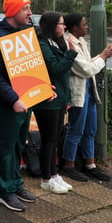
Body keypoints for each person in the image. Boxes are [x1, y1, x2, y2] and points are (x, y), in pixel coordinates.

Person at [0, 0, 38, 212]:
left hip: (24, 103)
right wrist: (13, 99)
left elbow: (32, 68)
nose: (30, 13)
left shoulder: (25, 34)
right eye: (26, 9)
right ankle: (5, 191)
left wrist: (44, 87)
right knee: (5, 148)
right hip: (8, 105)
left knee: (18, 145)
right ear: (14, 11)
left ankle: (15, 184)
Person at [60, 13, 112, 182]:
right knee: (76, 129)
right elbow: (85, 70)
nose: (87, 27)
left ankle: (90, 165)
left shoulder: (81, 41)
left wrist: (101, 55)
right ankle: (68, 165)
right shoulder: (69, 43)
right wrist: (103, 57)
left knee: (90, 129)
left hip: (89, 91)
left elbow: (89, 64)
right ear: (75, 27)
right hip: (79, 92)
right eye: (84, 25)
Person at [35, 11, 78, 194]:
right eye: (61, 24)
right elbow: (57, 69)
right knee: (48, 140)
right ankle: (46, 178)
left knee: (55, 140)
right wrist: (71, 53)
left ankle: (54, 175)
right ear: (52, 26)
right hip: (47, 101)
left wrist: (67, 99)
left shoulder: (57, 43)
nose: (64, 26)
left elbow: (64, 78)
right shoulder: (43, 45)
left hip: (59, 100)